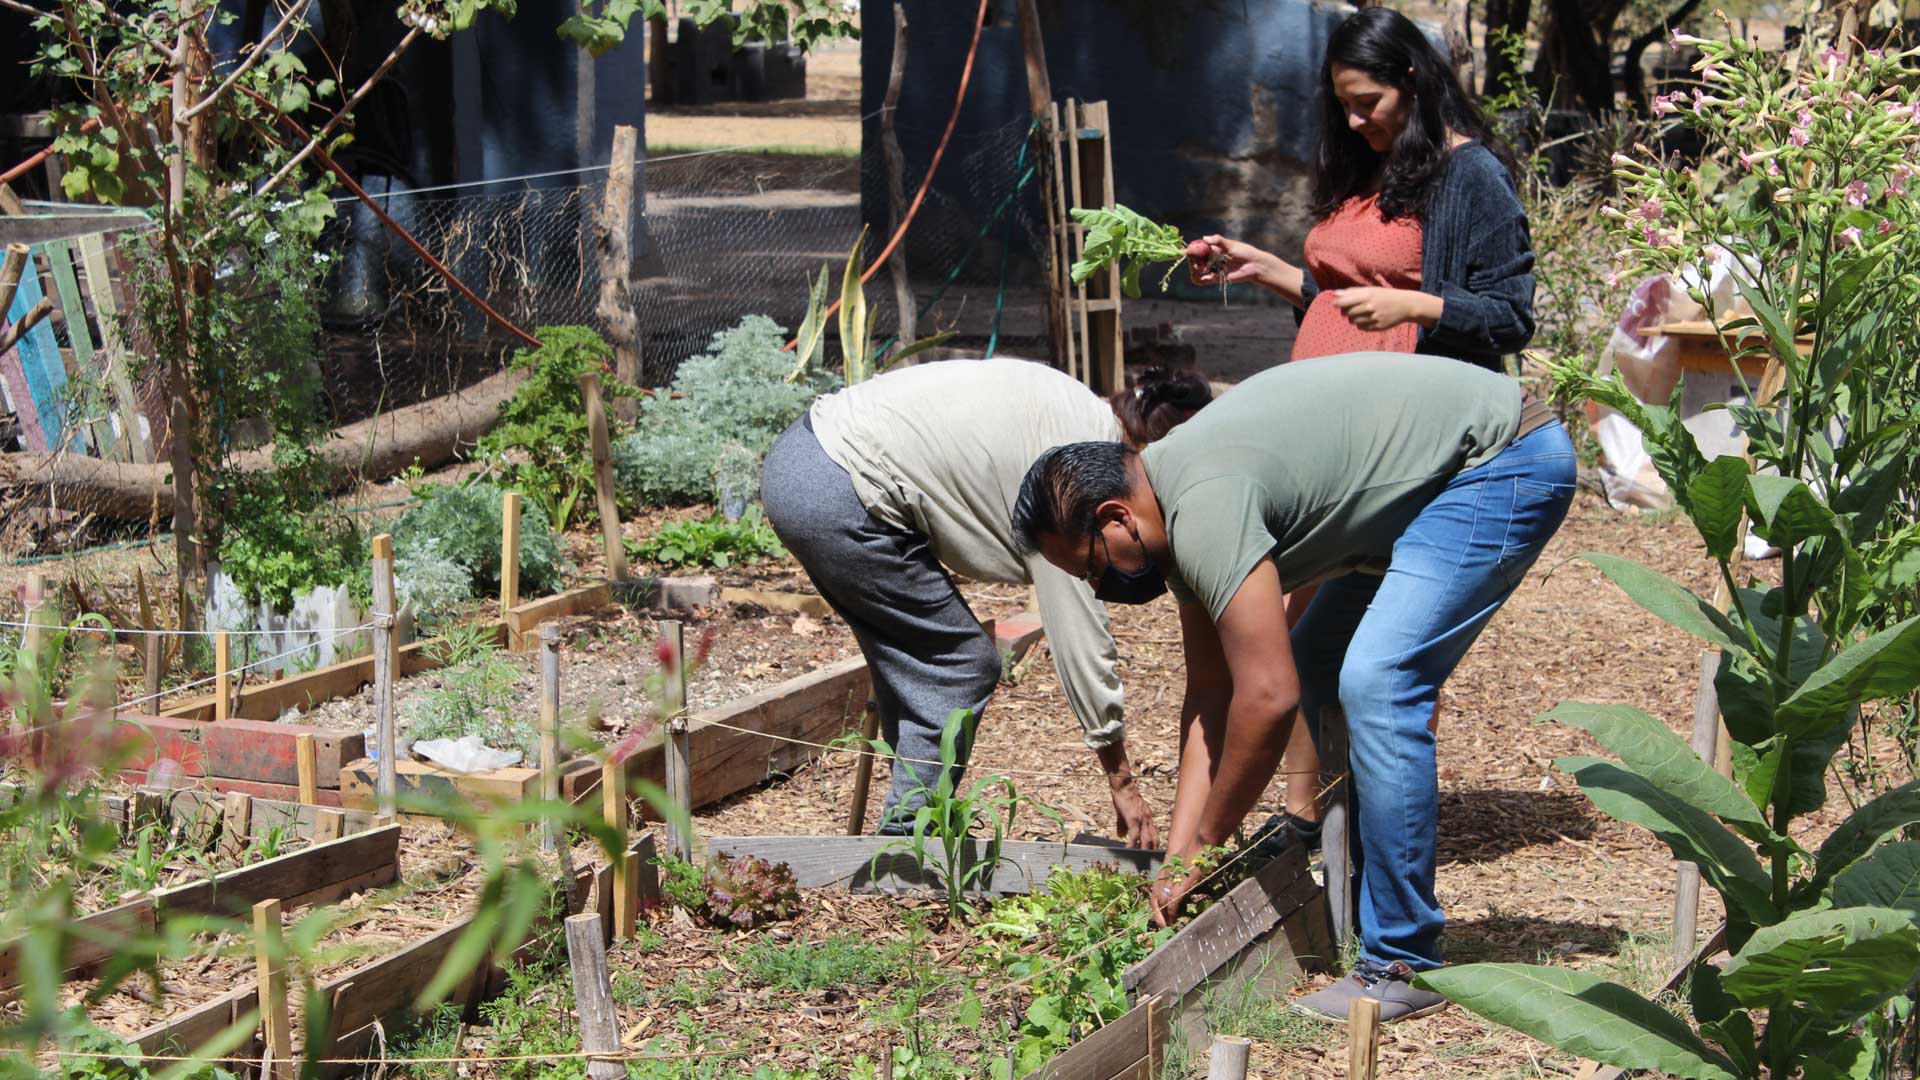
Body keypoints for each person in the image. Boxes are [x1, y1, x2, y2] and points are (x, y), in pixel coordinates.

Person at [1011, 352, 1574, 1022]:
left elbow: (1267, 698)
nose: (1100, 587)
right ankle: (1368, 908)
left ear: (1116, 518)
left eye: (1093, 568)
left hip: (1498, 461)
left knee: (1380, 682)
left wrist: (1209, 845)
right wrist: (1180, 859)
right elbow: (1211, 699)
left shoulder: (1202, 502)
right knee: (1317, 663)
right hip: (1428, 487)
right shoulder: (1172, 501)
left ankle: (1403, 960)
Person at [1185, 5, 1536, 839]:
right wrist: (1265, 268)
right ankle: (1316, 810)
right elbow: (1340, 297)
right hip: (1324, 428)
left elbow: (1511, 316)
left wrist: (1418, 306)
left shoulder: (1470, 176)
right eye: (1342, 104)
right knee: (1303, 627)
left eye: (1366, 102)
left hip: (1396, 442)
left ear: (1412, 81)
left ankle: (1334, 811)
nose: (1352, 120)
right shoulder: (1375, 168)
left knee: (1350, 635)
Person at [759, 358, 1212, 846]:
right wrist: (1120, 778)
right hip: (838, 484)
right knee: (960, 664)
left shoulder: (1076, 408)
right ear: (1147, 452)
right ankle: (906, 846)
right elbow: (1077, 627)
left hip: (808, 458)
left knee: (918, 661)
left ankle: (914, 825)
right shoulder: (1078, 476)